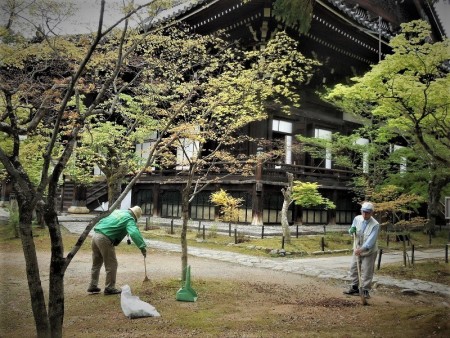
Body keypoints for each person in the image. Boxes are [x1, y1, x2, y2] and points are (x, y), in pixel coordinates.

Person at [87, 206, 147, 295]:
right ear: (135, 216)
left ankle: (92, 285)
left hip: (96, 235)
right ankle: (109, 288)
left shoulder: (117, 212)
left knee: (96, 263)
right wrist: (142, 247)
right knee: (111, 264)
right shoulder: (129, 219)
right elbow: (134, 233)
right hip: (105, 238)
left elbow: (103, 219)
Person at [343, 202, 380, 299]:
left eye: (367, 213)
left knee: (367, 270)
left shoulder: (375, 225)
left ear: (371, 213)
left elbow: (370, 241)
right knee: (353, 267)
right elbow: (352, 230)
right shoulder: (357, 219)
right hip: (357, 247)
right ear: (361, 211)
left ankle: (365, 290)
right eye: (363, 212)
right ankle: (354, 287)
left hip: (369, 251)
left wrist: (361, 249)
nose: (365, 214)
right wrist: (351, 231)